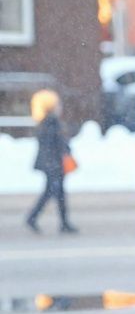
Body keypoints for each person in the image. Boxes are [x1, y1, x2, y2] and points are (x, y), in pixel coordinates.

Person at [24, 88, 77, 234]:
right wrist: (64, 152)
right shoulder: (51, 123)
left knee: (54, 192)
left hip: (52, 163)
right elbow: (56, 143)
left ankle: (60, 222)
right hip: (54, 164)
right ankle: (35, 217)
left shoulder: (45, 122)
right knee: (54, 192)